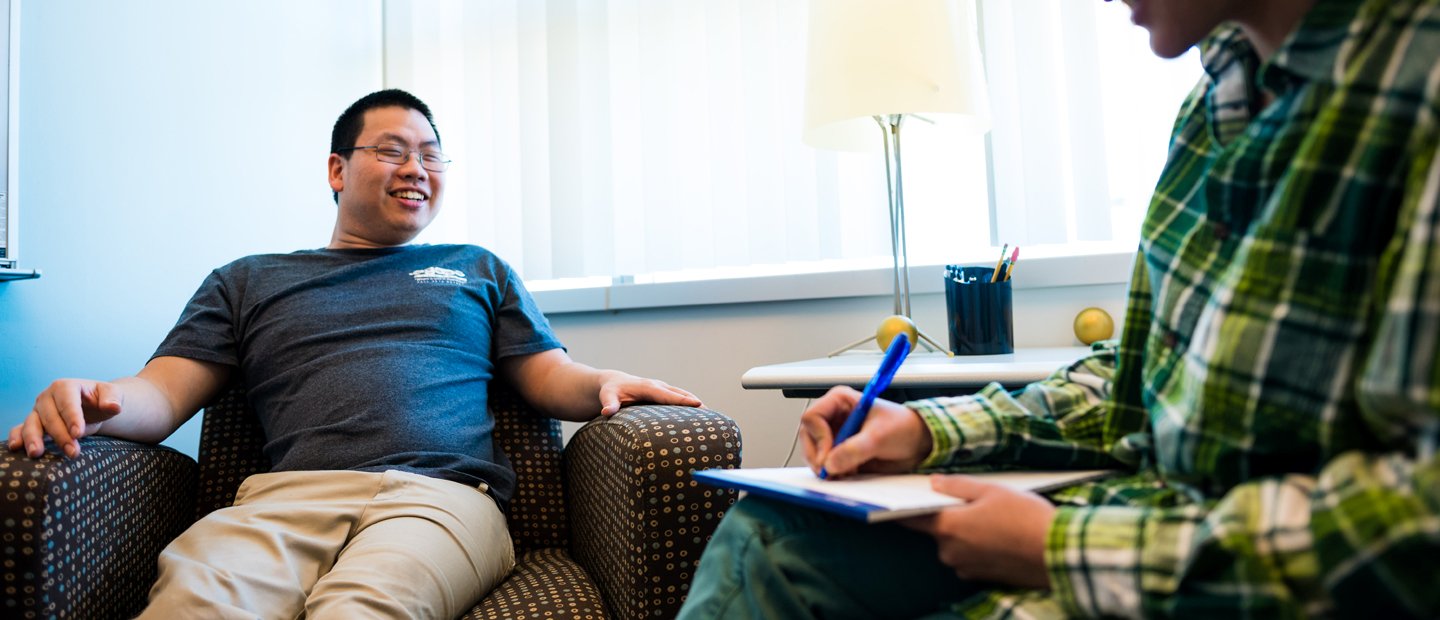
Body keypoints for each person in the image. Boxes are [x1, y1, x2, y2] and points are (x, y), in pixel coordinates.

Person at [678, 0, 1440, 617]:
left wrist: (1063, 550)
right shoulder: (1215, 103)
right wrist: (921, 429)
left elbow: (1418, 521)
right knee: (769, 538)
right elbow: (1137, 384)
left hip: (1227, 563)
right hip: (1136, 512)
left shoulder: (1417, 86)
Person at [6, 88, 703, 619]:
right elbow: (161, 395)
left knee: (362, 609)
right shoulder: (247, 279)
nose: (418, 167)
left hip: (443, 500)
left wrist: (605, 382)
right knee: (195, 605)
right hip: (282, 501)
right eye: (393, 149)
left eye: (432, 154)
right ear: (338, 170)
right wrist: (98, 402)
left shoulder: (475, 267)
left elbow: (548, 375)